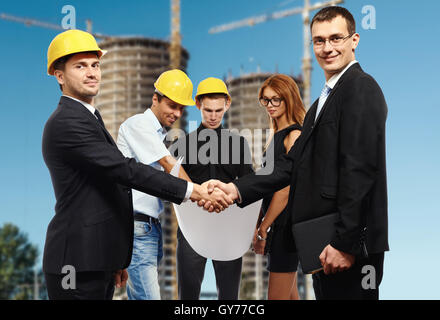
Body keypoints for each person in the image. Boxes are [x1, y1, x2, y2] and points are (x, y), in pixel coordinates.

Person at [204, 6, 389, 300]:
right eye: (319, 40)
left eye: (336, 38)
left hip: (346, 248)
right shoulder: (320, 104)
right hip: (321, 243)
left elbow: (361, 169)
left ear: (354, 40)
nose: (327, 48)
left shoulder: (360, 89)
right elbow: (290, 167)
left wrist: (345, 244)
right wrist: (234, 189)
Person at [42, 30, 231, 300]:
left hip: (96, 258)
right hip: (76, 262)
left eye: (95, 65)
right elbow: (127, 171)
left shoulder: (90, 119)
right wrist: (196, 192)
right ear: (59, 75)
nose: (92, 72)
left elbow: (109, 190)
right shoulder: (67, 122)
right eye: (80, 66)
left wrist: (117, 257)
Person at [171, 77, 254, 300]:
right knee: (188, 297)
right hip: (191, 229)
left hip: (228, 229)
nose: (214, 116)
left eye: (218, 110)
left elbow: (249, 184)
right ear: (198, 105)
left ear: (227, 104)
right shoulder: (181, 144)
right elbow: (173, 185)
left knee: (229, 297)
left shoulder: (238, 144)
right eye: (208, 110)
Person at [116, 69, 195, 300]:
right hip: (138, 228)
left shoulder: (157, 135)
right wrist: (201, 195)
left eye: (181, 108)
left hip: (150, 229)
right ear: (155, 98)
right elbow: (168, 164)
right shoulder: (138, 125)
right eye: (172, 105)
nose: (177, 113)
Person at [252, 74, 305, 300]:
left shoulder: (294, 135)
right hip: (279, 227)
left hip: (286, 228)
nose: (270, 105)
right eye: (266, 100)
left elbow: (285, 190)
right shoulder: (275, 136)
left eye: (276, 100)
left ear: (289, 99)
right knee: (291, 297)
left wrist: (264, 228)